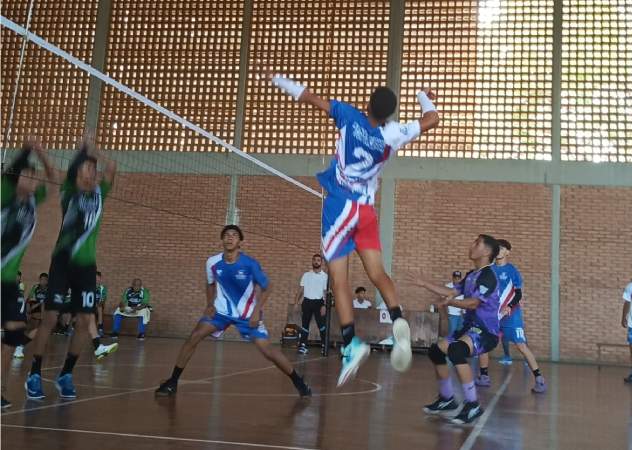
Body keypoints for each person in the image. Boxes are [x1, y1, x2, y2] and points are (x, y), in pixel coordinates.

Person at [267, 70, 440, 386]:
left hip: (339, 205)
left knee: (340, 278)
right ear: (389, 113)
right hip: (366, 212)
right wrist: (422, 95)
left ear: (367, 105)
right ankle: (398, 318)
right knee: (378, 273)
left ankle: (351, 344)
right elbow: (431, 119)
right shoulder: (394, 134)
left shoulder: (348, 115)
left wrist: (279, 80)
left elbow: (308, 97)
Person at [155, 225, 312, 397]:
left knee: (268, 352)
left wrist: (256, 311)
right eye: (226, 235)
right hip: (221, 312)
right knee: (195, 336)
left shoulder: (250, 264)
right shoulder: (212, 262)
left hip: (247, 315)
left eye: (234, 235)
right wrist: (209, 304)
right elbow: (209, 283)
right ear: (222, 240)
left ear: (240, 242)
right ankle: (173, 382)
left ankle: (298, 381)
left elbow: (268, 287)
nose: (230, 238)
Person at [25, 137, 116, 400]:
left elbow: (112, 169)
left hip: (86, 267)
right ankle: (34, 373)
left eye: (92, 170)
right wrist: (76, 152)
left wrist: (94, 150)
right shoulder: (69, 192)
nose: (91, 173)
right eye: (85, 169)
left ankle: (66, 374)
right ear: (76, 174)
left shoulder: (100, 193)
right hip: (63, 262)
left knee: (86, 319)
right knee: (51, 318)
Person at [410, 234, 501, 424]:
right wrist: (425, 284)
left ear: (486, 252)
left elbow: (474, 303)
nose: (471, 244)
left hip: (485, 331)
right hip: (469, 328)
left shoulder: (488, 276)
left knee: (456, 350)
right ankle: (447, 398)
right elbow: (452, 291)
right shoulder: (471, 275)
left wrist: (452, 302)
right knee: (436, 351)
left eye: (477, 243)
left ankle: (472, 404)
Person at [1, 139, 55, 409]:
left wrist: (42, 154)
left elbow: (53, 178)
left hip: (9, 284)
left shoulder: (35, 199)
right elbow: (9, 172)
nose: (32, 180)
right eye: (26, 174)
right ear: (16, 176)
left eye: (34, 176)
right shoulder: (4, 193)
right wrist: (25, 151)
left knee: (13, 336)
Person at [477, 239, 546, 393]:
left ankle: (539, 379)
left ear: (508, 251)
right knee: (482, 342)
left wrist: (509, 306)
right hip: (493, 314)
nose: (498, 251)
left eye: (501, 248)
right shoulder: (489, 270)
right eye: (496, 248)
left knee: (521, 346)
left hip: (511, 315)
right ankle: (484, 376)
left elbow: (518, 293)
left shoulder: (512, 270)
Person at [295, 254, 328, 354]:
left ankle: (324, 346)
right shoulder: (306, 275)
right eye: (314, 260)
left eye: (318, 260)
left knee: (321, 325)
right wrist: (296, 303)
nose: (316, 262)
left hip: (319, 303)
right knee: (305, 325)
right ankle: (303, 346)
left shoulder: (325, 276)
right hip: (307, 302)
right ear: (312, 261)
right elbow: (301, 290)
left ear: (321, 262)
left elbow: (325, 292)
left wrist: (324, 305)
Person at [14, 273, 49, 359]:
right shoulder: (35, 288)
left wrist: (42, 315)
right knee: (34, 328)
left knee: (38, 330)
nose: (43, 281)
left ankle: (20, 345)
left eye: (45, 280)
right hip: (36, 307)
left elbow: (45, 303)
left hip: (44, 309)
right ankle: (19, 345)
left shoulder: (49, 289)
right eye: (42, 279)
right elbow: (29, 299)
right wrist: (29, 311)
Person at [445, 271, 465, 338]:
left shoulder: (463, 287)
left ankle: (457, 346)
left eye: (458, 278)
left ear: (460, 279)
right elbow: (444, 300)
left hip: (461, 313)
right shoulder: (448, 286)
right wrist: (447, 310)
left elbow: (465, 299)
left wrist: (464, 310)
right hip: (452, 313)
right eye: (455, 278)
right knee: (452, 331)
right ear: (452, 278)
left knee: (460, 331)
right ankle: (450, 346)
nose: (457, 280)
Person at [95, 271, 108, 336]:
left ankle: (100, 328)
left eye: (98, 278)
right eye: (95, 278)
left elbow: (103, 299)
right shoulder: (89, 286)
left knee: (99, 308)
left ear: (100, 278)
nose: (96, 279)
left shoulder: (103, 288)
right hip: (89, 305)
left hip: (98, 305)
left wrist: (99, 304)